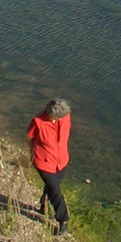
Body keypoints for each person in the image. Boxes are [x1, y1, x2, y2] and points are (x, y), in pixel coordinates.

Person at [27, 98, 72, 234]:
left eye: (56, 118)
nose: (53, 120)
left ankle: (43, 206)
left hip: (62, 160)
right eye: (52, 117)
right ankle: (63, 221)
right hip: (44, 162)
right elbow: (29, 137)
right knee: (55, 191)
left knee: (52, 187)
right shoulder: (38, 121)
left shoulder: (65, 117)